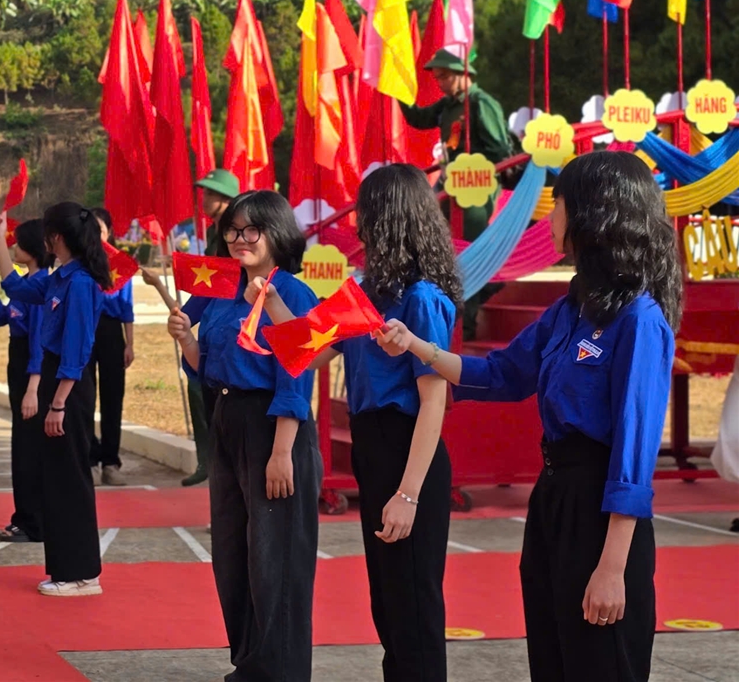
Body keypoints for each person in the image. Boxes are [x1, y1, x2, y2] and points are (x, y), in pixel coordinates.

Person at [376, 151, 679, 682]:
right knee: (553, 653)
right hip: (553, 498)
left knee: (599, 660)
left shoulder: (639, 321)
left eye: (556, 205)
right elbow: (500, 373)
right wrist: (419, 348)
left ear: (592, 213)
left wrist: (612, 568)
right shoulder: (570, 310)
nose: (550, 219)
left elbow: (633, 456)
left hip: (600, 510)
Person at [258, 164, 460, 682]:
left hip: (407, 451)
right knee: (389, 602)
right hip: (375, 448)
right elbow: (309, 349)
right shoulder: (365, 292)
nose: (360, 227)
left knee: (413, 606)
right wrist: (272, 299)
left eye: (367, 213)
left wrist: (409, 493)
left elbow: (433, 401)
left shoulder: (421, 299)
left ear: (389, 218)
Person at [166, 190, 321, 681]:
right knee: (234, 554)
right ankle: (249, 663)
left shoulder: (292, 293)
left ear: (277, 233)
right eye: (233, 229)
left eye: (252, 229)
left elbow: (296, 371)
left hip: (274, 425)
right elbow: (208, 367)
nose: (239, 238)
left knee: (277, 560)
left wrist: (282, 452)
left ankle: (281, 671)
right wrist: (186, 339)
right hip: (228, 418)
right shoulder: (219, 290)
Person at [0, 204, 105, 597]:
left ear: (57, 238)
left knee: (71, 477)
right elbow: (18, 288)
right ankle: (64, 570)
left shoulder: (82, 283)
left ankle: (83, 573)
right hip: (58, 382)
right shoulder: (58, 278)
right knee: (56, 478)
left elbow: (77, 348)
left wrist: (57, 404)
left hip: (67, 388)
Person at [398, 49, 516, 242]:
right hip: (451, 179)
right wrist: (399, 91)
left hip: (476, 182)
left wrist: (481, 173)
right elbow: (418, 119)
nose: (440, 84)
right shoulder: (447, 105)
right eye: (437, 78)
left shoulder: (481, 103)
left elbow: (499, 150)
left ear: (463, 72)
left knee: (471, 235)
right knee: (440, 231)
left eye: (445, 77)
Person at [0, 218, 48, 544]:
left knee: (28, 451)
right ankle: (25, 517)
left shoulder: (41, 287)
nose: (13, 248)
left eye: (17, 243)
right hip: (17, 367)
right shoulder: (25, 284)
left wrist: (33, 388)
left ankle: (32, 522)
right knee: (21, 447)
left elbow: (38, 343)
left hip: (29, 375)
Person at [185, 167, 241, 487]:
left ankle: (216, 468)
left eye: (209, 193)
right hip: (211, 322)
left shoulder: (238, 234)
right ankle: (206, 460)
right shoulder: (212, 235)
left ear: (226, 199)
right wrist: (187, 317)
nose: (203, 199)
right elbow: (210, 282)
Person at [87, 209, 133, 486]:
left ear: (110, 232)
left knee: (112, 397)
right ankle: (90, 458)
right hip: (85, 330)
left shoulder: (121, 262)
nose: (96, 235)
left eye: (100, 229)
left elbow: (127, 308)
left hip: (112, 331)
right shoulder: (81, 263)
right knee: (84, 396)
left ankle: (110, 462)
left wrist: (130, 343)